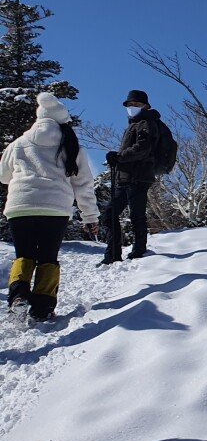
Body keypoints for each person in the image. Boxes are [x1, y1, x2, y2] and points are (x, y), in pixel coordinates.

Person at [2, 93, 100, 321]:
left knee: (23, 255)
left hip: (20, 206)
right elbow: (84, 185)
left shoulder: (19, 143)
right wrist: (90, 216)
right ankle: (43, 307)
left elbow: (3, 176)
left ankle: (18, 297)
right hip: (54, 209)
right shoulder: (71, 146)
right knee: (48, 257)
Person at [101, 89, 162, 264]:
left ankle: (138, 251)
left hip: (138, 176)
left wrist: (119, 157)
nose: (132, 107)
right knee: (110, 214)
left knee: (135, 215)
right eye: (129, 104)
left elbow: (143, 148)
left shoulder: (146, 123)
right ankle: (113, 254)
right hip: (127, 177)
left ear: (145, 106)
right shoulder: (135, 124)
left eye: (136, 104)